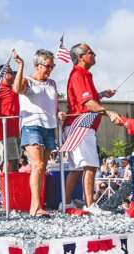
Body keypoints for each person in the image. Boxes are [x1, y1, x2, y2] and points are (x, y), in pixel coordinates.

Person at [63, 43, 123, 214]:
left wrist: (102, 94)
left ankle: (66, 204)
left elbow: (89, 98)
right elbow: (88, 103)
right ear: (81, 57)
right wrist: (109, 112)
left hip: (77, 124)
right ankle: (90, 205)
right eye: (90, 52)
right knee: (90, 165)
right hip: (82, 124)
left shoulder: (82, 75)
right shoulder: (79, 75)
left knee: (76, 167)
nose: (94, 54)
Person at [13, 49, 62, 217]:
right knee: (38, 165)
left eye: (52, 66)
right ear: (38, 65)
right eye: (47, 66)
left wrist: (58, 112)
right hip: (31, 125)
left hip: (49, 126)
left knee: (42, 168)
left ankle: (38, 204)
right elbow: (17, 89)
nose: (50, 69)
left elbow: (53, 103)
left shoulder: (52, 83)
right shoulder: (28, 81)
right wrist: (20, 67)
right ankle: (35, 206)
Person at [0, 65, 20, 172]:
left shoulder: (11, 88)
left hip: (15, 132)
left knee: (15, 161)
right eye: (9, 73)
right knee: (9, 161)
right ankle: (6, 188)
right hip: (5, 133)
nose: (12, 75)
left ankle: (12, 187)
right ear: (2, 75)